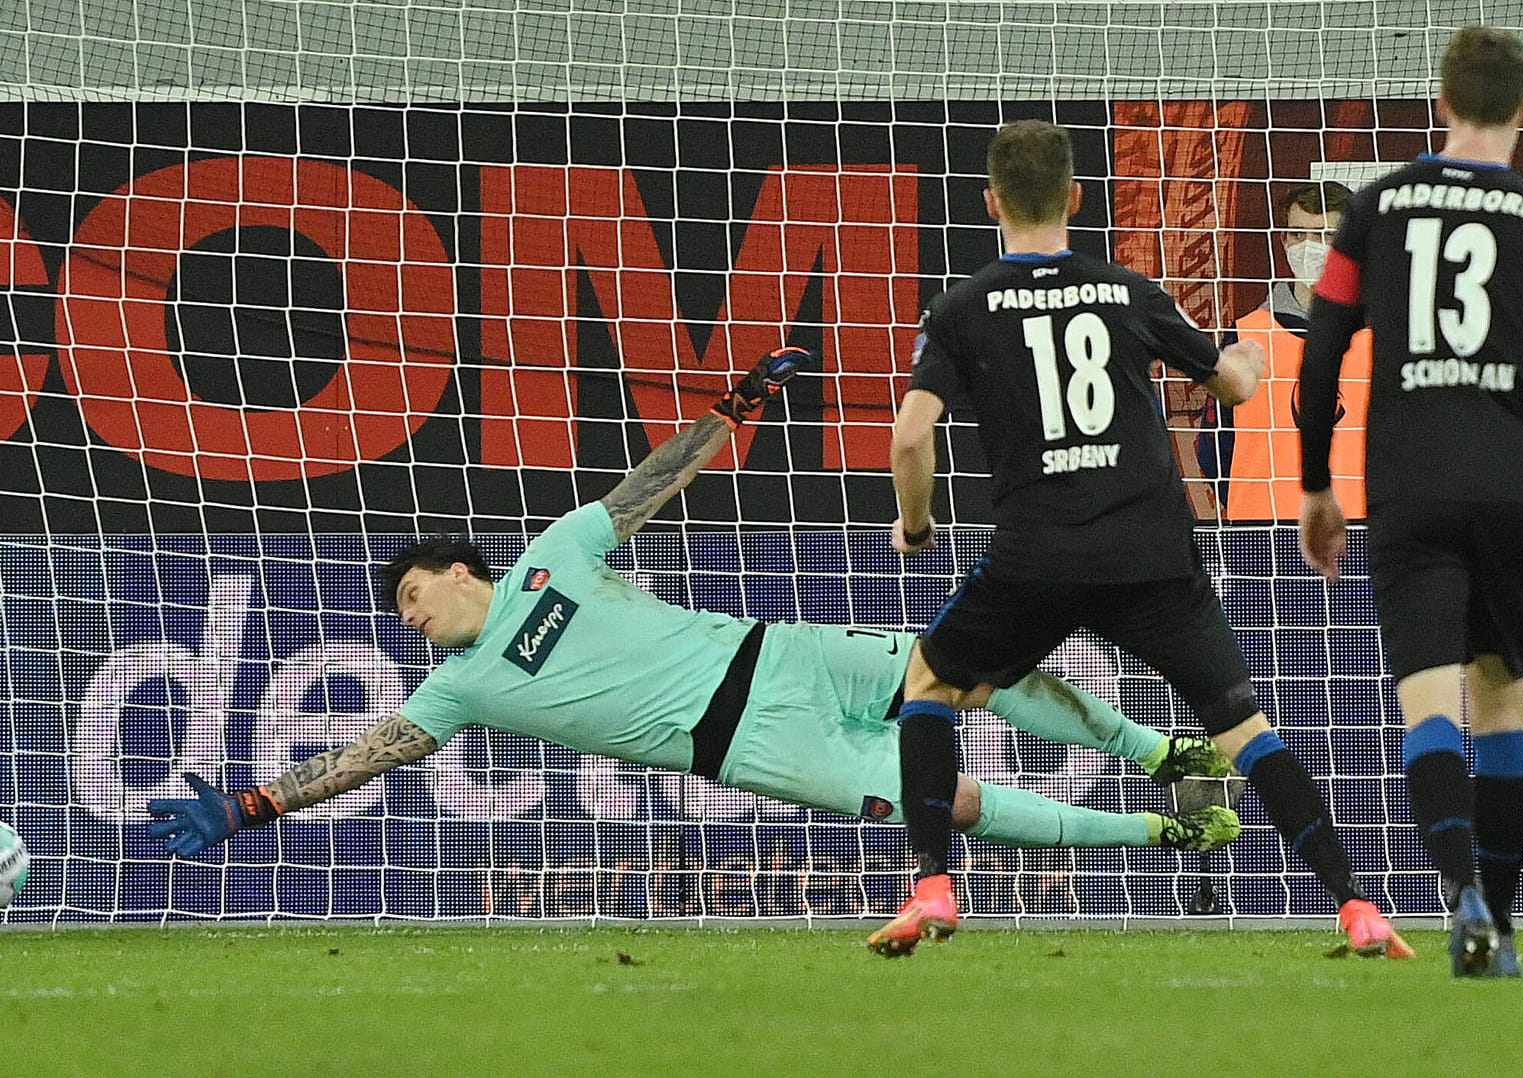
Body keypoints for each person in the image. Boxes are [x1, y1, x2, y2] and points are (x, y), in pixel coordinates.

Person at [146, 346, 1240, 880]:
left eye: (409, 596)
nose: (408, 619)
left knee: (970, 669)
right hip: (755, 744)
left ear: (451, 569)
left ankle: (1160, 752)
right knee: (943, 801)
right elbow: (367, 753)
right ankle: (1165, 823)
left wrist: (731, 410)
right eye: (400, 615)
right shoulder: (457, 687)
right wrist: (257, 805)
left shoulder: (549, 558)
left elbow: (646, 487)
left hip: (784, 657)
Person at [879, 118, 1412, 960]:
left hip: (1034, 560)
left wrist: (916, 525)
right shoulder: (1125, 290)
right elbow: (1231, 386)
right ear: (1076, 198)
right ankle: (1355, 905)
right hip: (1151, 557)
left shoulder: (960, 308)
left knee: (929, 688)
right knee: (1244, 731)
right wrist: (1249, 356)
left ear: (989, 204)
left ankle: (933, 887)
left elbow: (910, 437)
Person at [1297, 26, 1523, 978]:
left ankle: (1459, 898)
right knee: (1503, 703)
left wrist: (1315, 481)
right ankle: (1502, 928)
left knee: (1428, 705)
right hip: (1512, 483)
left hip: (1409, 480)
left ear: (1439, 103)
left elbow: (1320, 351)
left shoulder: (1377, 207)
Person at [1197, 180, 1375, 519]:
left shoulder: (1382, 337)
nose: (1309, 247)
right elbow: (1212, 448)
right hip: (1262, 533)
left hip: (1360, 529)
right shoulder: (1245, 335)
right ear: (1283, 240)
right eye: (1298, 234)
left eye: (1325, 235)